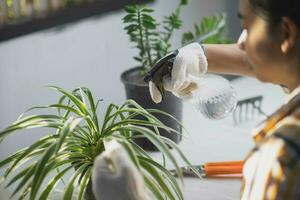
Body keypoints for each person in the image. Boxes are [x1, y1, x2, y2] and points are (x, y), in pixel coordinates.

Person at [93, 0, 300, 199]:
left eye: (247, 26)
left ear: (286, 32)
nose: (241, 42)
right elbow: (282, 58)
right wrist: (201, 55)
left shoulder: (280, 159)